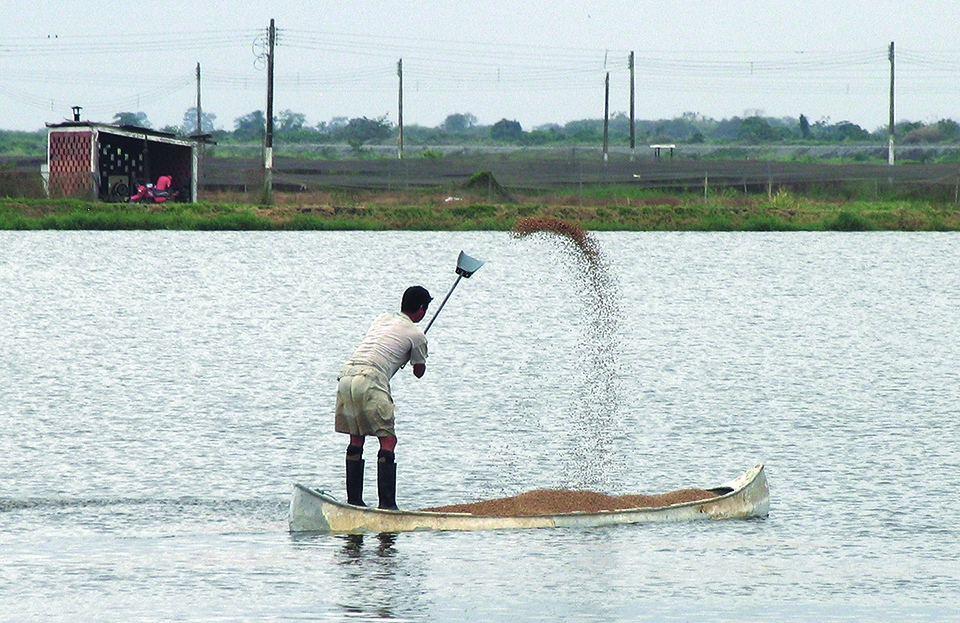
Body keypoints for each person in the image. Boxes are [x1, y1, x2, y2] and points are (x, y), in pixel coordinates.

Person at [335, 285, 432, 510]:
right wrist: (416, 354)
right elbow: (419, 372)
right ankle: (387, 506)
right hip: (371, 380)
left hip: (347, 376)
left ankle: (354, 503)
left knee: (356, 438)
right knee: (387, 440)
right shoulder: (417, 335)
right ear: (420, 309)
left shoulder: (381, 319)